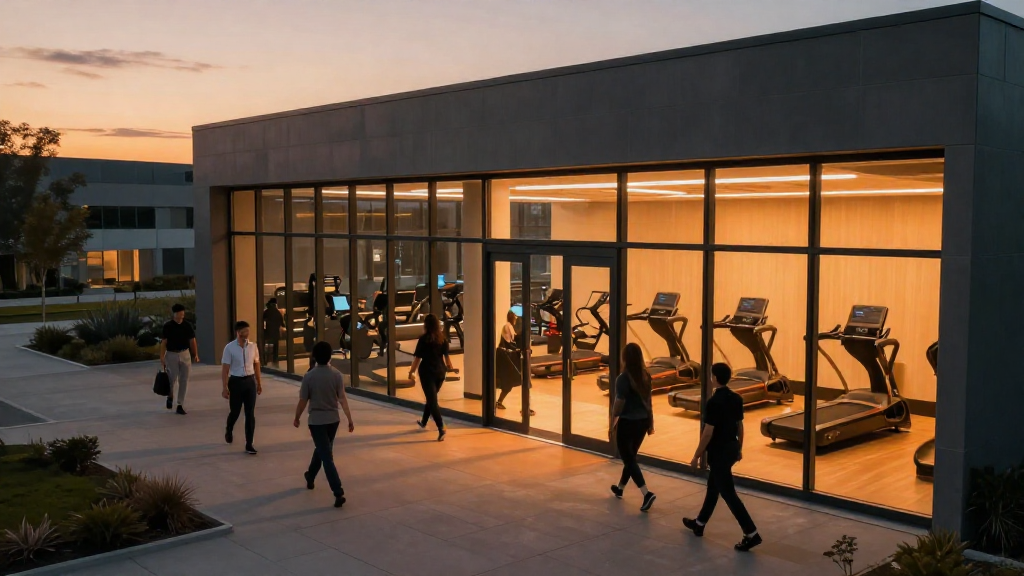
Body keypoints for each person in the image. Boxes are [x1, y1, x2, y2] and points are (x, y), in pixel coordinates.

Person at [683, 363, 761, 552]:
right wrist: (739, 448)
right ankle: (700, 524)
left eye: (711, 376)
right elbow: (740, 426)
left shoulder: (713, 402)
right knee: (713, 487)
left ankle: (751, 533)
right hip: (732, 448)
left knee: (728, 493)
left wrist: (696, 455)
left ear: (715, 378)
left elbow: (708, 432)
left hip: (719, 452)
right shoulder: (736, 398)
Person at [293, 341, 354, 509]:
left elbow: (303, 400)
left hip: (317, 421)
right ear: (329, 356)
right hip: (333, 420)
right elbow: (342, 399)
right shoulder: (337, 375)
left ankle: (338, 491)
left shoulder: (309, 376)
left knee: (326, 455)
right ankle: (310, 476)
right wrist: (349, 418)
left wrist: (297, 417)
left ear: (314, 356)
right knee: (323, 450)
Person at [609, 342, 656, 512]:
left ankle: (646, 493)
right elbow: (649, 401)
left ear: (625, 358)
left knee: (628, 458)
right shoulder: (646, 375)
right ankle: (620, 487)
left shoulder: (623, 378)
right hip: (642, 422)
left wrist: (612, 420)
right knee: (631, 457)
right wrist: (650, 422)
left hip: (628, 422)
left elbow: (619, 403)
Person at [409, 313, 457, 442]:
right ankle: (424, 421)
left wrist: (411, 371)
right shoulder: (442, 339)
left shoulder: (424, 339)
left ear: (426, 325)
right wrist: (451, 368)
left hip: (427, 372)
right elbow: (446, 357)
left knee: (432, 400)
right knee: (432, 397)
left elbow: (417, 358)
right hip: (440, 372)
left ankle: (441, 426)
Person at [222, 321, 263, 455]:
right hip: (236, 381)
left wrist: (258, 382)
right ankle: (229, 428)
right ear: (238, 332)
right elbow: (225, 369)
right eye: (244, 331)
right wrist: (225, 387)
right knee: (235, 411)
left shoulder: (253, 346)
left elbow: (257, 364)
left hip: (250, 381)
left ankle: (249, 443)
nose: (247, 334)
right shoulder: (229, 348)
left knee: (250, 413)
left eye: (248, 331)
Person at [160, 303, 198, 415]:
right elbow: (164, 342)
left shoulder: (187, 325)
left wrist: (195, 354)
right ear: (174, 314)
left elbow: (192, 340)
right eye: (179, 313)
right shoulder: (168, 326)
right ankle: (170, 395)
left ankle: (180, 404)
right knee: (172, 378)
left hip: (185, 353)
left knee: (184, 380)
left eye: (183, 313)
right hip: (171, 354)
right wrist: (162, 356)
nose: (181, 315)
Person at [496, 310, 534, 415]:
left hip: (512, 356)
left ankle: (500, 401)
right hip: (511, 357)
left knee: (512, 382)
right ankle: (526, 408)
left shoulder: (510, 327)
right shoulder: (509, 327)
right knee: (523, 381)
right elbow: (512, 342)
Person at [262, 298, 285, 363]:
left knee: (267, 345)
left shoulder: (266, 311)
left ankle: (265, 359)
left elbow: (262, 320)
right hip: (275, 332)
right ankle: (275, 359)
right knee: (275, 346)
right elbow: (282, 323)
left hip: (268, 331)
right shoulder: (277, 312)